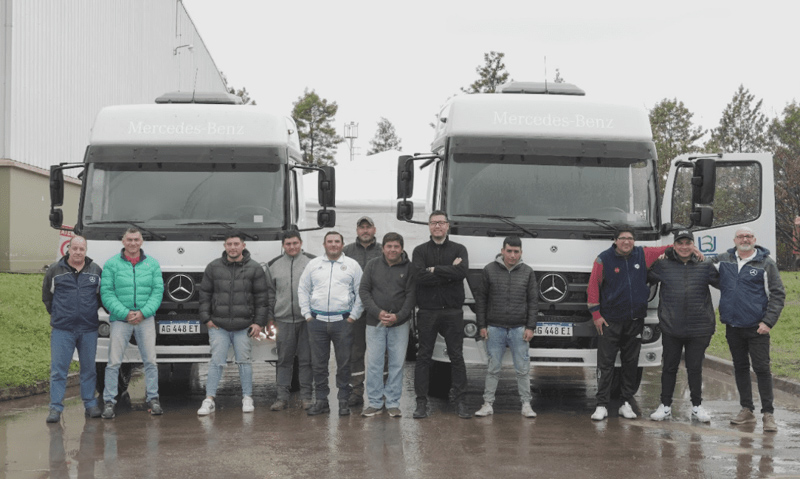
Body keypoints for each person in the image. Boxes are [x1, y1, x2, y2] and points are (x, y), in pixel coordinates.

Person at [587, 227, 669, 421]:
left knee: (630, 363)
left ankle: (625, 402)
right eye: (622, 238)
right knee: (605, 364)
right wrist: (596, 315)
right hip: (610, 321)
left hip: (635, 321)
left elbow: (671, 247)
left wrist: (695, 250)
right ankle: (601, 405)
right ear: (615, 240)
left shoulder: (643, 254)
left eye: (630, 238)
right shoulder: (603, 259)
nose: (627, 242)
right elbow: (593, 287)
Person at [713, 227, 785, 432]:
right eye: (741, 236)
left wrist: (768, 322)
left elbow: (778, 294)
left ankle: (768, 414)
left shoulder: (766, 263)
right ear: (734, 240)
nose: (745, 239)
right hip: (733, 326)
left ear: (755, 239)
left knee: (762, 369)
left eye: (749, 236)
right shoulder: (723, 259)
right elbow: (701, 265)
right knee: (740, 367)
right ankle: (747, 410)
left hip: (757, 328)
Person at [647, 230, 720, 423]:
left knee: (694, 368)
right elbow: (645, 275)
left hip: (699, 327)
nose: (684, 247)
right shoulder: (663, 264)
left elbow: (724, 283)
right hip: (672, 327)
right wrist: (659, 255)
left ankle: (697, 406)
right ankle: (665, 406)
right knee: (669, 367)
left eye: (688, 243)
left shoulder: (705, 265)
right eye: (680, 243)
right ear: (674, 246)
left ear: (693, 245)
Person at [196, 232, 272, 416]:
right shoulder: (213, 267)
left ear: (243, 245)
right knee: (216, 362)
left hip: (244, 326)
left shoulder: (255, 268)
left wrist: (258, 323)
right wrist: (207, 319)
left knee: (244, 362)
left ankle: (247, 398)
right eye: (229, 244)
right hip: (219, 326)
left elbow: (262, 299)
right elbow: (204, 295)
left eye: (236, 244)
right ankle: (209, 400)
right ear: (224, 246)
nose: (233, 247)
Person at [412, 211, 471, 419]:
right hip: (428, 312)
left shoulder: (459, 249)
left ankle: (461, 400)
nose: (438, 226)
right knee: (423, 357)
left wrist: (434, 269)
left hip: (453, 312)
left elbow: (461, 272)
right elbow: (419, 277)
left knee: (457, 356)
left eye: (441, 223)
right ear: (429, 226)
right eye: (434, 223)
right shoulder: (419, 251)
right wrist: (448, 273)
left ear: (448, 226)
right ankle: (421, 402)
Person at [100, 228, 164, 419]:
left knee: (150, 361)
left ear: (141, 241)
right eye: (129, 239)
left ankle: (153, 399)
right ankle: (109, 402)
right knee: (113, 363)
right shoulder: (111, 264)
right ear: (123, 241)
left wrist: (143, 312)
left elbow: (157, 291)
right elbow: (107, 293)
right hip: (121, 320)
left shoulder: (152, 264)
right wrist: (125, 313)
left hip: (145, 319)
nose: (133, 243)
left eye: (136, 239)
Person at [298, 231, 363, 416]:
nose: (333, 245)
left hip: (343, 322)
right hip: (317, 322)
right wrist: (307, 314)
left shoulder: (352, 265)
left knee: (344, 363)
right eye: (330, 242)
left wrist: (353, 316)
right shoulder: (313, 265)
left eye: (337, 241)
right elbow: (303, 289)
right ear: (324, 244)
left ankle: (343, 400)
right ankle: (321, 401)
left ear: (342, 244)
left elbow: (361, 292)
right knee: (318, 364)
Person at [474, 236, 539, 418]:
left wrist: (530, 327)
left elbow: (533, 301)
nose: (512, 255)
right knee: (493, 368)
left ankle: (526, 405)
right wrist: (482, 326)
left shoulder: (527, 272)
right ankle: (487, 404)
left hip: (519, 329)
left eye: (516, 252)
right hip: (495, 328)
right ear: (502, 251)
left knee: (523, 369)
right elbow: (482, 300)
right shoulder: (489, 270)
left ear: (521, 253)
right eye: (509, 251)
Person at [42, 235, 104, 423]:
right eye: (75, 248)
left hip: (88, 328)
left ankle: (90, 403)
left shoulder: (95, 271)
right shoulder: (55, 270)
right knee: (59, 370)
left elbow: (101, 297)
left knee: (89, 369)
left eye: (81, 249)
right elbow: (47, 298)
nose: (78, 252)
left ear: (86, 250)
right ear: (68, 249)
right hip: (63, 329)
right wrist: (60, 315)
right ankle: (55, 408)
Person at [359, 232, 416, 418]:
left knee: (397, 364)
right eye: (389, 246)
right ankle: (374, 402)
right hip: (374, 323)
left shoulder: (409, 268)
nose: (392, 250)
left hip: (399, 324)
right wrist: (378, 313)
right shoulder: (372, 265)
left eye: (396, 246)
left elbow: (411, 296)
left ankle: (392, 402)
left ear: (401, 248)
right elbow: (364, 291)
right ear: (383, 248)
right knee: (374, 363)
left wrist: (398, 316)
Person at [267, 231, 315, 411]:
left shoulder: (313, 263)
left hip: (307, 320)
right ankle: (281, 398)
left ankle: (306, 397)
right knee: (284, 360)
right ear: (283, 245)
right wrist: (270, 318)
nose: (292, 247)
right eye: (288, 244)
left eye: (295, 243)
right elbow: (270, 294)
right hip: (283, 320)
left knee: (306, 360)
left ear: (301, 243)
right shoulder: (273, 265)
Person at [342, 216, 382, 408]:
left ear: (374, 230)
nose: (365, 231)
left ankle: (379, 393)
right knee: (355, 352)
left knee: (379, 353)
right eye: (362, 227)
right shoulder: (347, 251)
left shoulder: (384, 250)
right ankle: (356, 392)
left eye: (368, 227)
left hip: (378, 310)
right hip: (355, 311)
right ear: (357, 230)